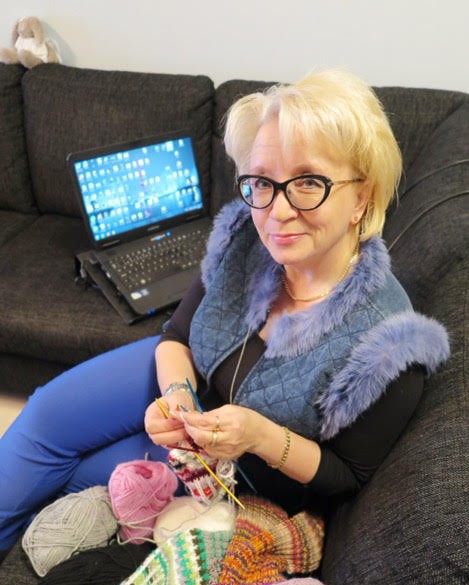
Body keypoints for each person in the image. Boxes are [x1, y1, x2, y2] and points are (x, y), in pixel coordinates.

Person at [0, 68, 449, 558]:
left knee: (80, 477)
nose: (277, 211)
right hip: (186, 388)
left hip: (241, 465)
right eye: (262, 181)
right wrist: (177, 396)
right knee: (43, 418)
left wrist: (259, 435)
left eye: (308, 182)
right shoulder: (243, 237)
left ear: (362, 197)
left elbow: (347, 476)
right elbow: (176, 335)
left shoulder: (389, 345)